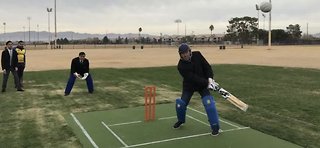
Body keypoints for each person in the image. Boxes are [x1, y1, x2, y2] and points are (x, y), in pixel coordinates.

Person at [173, 43, 220, 136]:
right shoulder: (181, 66)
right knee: (181, 105)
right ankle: (181, 120)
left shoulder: (197, 55)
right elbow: (193, 78)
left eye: (186, 52)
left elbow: (207, 67)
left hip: (202, 86)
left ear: (189, 51)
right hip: (189, 86)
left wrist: (210, 79)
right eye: (182, 53)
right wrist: (207, 83)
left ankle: (215, 127)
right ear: (180, 54)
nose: (185, 55)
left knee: (209, 103)